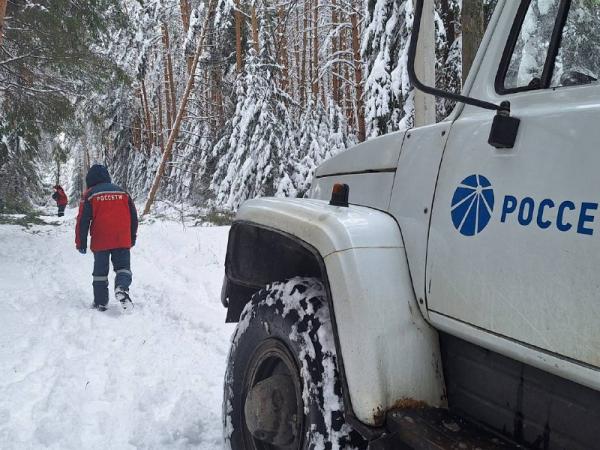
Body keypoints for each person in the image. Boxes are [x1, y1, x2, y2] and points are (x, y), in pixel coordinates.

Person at [75, 164, 138, 312]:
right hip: (122, 238)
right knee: (123, 268)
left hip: (101, 239)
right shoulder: (123, 192)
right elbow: (133, 217)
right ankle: (122, 287)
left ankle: (100, 302)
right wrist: (132, 237)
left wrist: (81, 242)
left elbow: (82, 221)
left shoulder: (90, 194)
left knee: (100, 273)